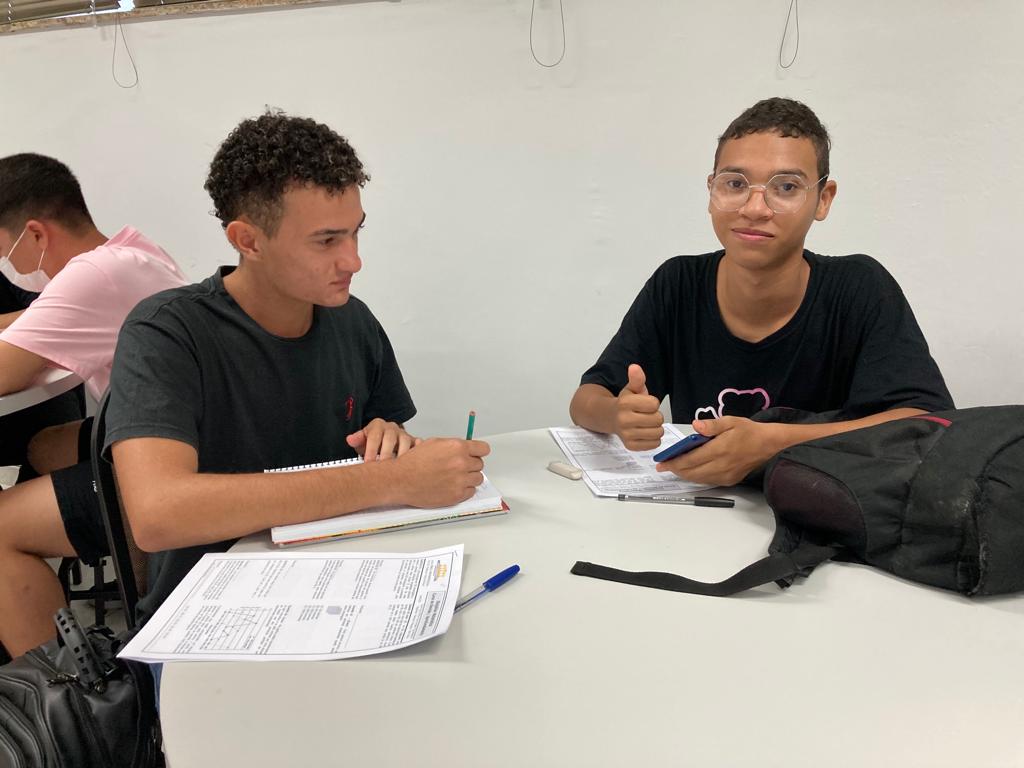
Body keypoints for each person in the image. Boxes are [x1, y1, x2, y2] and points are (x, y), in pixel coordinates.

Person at [104, 111, 489, 631]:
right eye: (326, 241)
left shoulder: (352, 321)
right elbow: (159, 514)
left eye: (355, 233)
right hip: (210, 615)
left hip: (341, 589)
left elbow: (383, 433)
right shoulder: (167, 331)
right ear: (249, 240)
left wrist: (389, 439)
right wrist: (390, 480)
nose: (353, 261)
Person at [569, 97, 953, 487]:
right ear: (711, 191)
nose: (755, 208)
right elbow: (586, 400)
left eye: (786, 187)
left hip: (823, 513)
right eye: (735, 184)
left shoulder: (859, 289)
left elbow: (928, 423)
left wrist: (773, 442)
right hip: (701, 511)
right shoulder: (678, 283)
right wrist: (619, 416)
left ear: (823, 199)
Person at [0, 153, 187, 657]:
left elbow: (5, 371)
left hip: (161, 472)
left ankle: (63, 689)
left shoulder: (91, 279)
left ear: (35, 234)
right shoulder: (130, 253)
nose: (6, 266)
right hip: (174, 435)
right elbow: (32, 319)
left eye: (2, 250)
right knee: (45, 445)